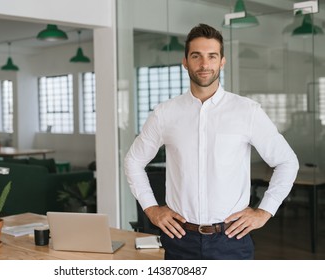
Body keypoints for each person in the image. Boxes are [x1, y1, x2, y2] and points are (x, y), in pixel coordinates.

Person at [124, 23, 299, 260]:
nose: (204, 64)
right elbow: (133, 161)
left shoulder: (247, 111)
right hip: (179, 239)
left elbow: (287, 162)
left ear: (222, 62)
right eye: (196, 56)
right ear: (185, 61)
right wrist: (152, 210)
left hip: (231, 240)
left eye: (212, 56)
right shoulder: (165, 113)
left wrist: (265, 211)